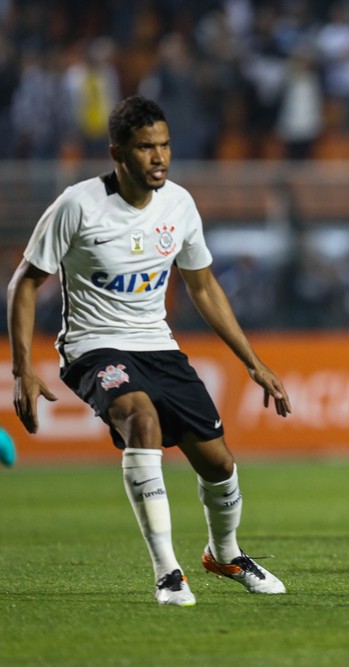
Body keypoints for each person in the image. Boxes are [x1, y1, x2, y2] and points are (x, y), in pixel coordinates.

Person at [7, 95, 292, 606]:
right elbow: (24, 285)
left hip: (158, 346)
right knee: (141, 419)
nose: (158, 157)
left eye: (164, 145)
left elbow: (203, 288)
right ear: (118, 153)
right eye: (145, 148)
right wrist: (22, 369)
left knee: (220, 465)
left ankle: (224, 553)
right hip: (93, 347)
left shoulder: (179, 204)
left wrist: (253, 362)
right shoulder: (78, 205)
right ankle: (168, 573)